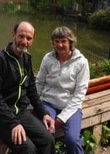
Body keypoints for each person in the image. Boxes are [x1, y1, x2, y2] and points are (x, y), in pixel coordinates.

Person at [0, 21, 56, 154]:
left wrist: (43, 113)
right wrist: (13, 123)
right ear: (13, 35)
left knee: (48, 140)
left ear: (33, 40)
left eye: (29, 38)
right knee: (27, 149)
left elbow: (31, 90)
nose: (24, 41)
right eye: (21, 36)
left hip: (20, 112)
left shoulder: (27, 59)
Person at [36, 26, 90, 154]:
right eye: (56, 41)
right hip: (48, 102)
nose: (60, 45)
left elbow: (79, 94)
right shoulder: (48, 58)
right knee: (46, 134)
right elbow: (39, 83)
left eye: (63, 41)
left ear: (70, 42)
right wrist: (34, 105)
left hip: (71, 106)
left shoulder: (81, 62)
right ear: (53, 42)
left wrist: (62, 118)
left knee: (72, 139)